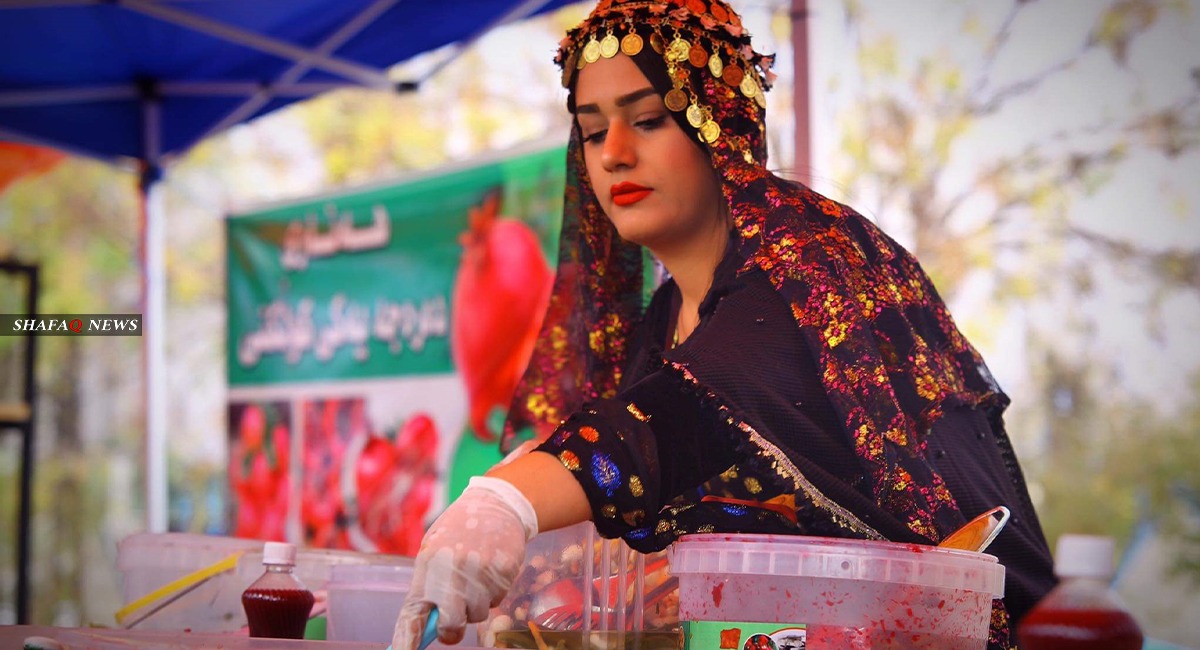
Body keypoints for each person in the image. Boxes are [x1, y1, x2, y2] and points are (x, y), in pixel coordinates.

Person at [392, 1, 1056, 649]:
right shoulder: (660, 325)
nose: (615, 154)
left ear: (720, 123)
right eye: (592, 132)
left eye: (648, 119)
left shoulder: (808, 260)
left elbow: (680, 421)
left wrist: (507, 499)